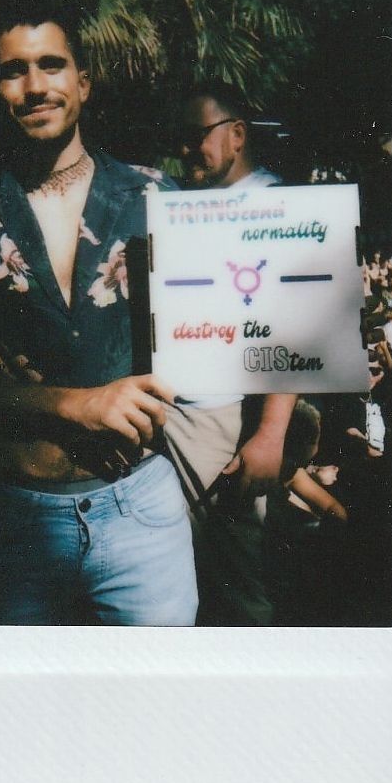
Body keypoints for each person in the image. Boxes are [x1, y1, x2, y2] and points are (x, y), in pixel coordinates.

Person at [0, 0, 198, 626]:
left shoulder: (157, 198)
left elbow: (220, 336)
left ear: (83, 82)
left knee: (158, 709)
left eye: (52, 65)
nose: (35, 86)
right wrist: (74, 404)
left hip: (142, 514)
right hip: (14, 523)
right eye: (15, 70)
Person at [162, 82, 296, 625]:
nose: (185, 150)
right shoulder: (177, 202)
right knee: (169, 583)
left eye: (197, 136)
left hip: (223, 421)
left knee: (235, 587)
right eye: (178, 140)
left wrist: (269, 434)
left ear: (237, 134)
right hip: (161, 413)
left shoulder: (276, 204)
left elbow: (296, 326)